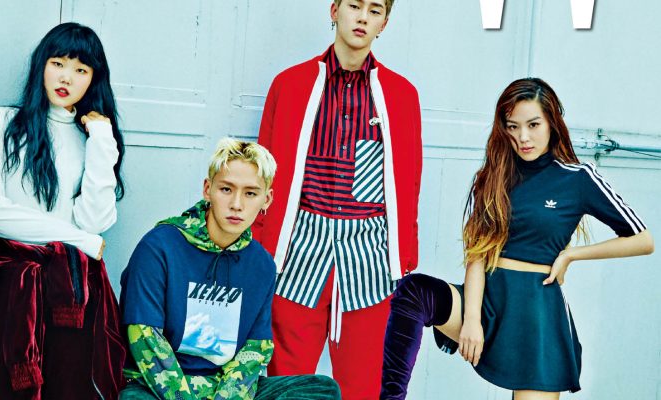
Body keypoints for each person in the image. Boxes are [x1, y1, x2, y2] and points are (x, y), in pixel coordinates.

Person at [379, 78, 655, 400]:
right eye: (513, 127)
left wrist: (571, 255)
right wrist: (471, 319)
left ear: (552, 122)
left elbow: (643, 239)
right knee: (414, 292)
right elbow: (478, 254)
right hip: (486, 303)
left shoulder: (578, 179)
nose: (523, 137)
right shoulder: (494, 176)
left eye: (533, 125)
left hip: (536, 317)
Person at [0, 23, 126, 399]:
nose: (66, 77)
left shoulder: (88, 138)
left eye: (81, 69)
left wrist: (102, 140)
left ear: (93, 79)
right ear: (41, 65)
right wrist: (81, 240)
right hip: (12, 285)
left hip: (72, 295)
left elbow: (94, 220)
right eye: (58, 63)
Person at [253, 0, 422, 397]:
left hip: (368, 248)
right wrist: (261, 243)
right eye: (354, 5)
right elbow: (264, 171)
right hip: (300, 242)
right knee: (288, 378)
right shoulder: (290, 84)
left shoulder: (401, 94)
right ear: (334, 10)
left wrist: (403, 254)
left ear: (384, 23)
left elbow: (409, 180)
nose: (362, 17)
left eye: (375, 10)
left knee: (364, 380)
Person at [119, 138, 342, 399]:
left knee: (323, 390)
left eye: (250, 193)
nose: (237, 204)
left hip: (224, 386)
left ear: (267, 199)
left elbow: (255, 348)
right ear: (208, 189)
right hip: (159, 387)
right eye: (226, 189)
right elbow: (144, 337)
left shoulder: (261, 265)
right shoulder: (160, 247)